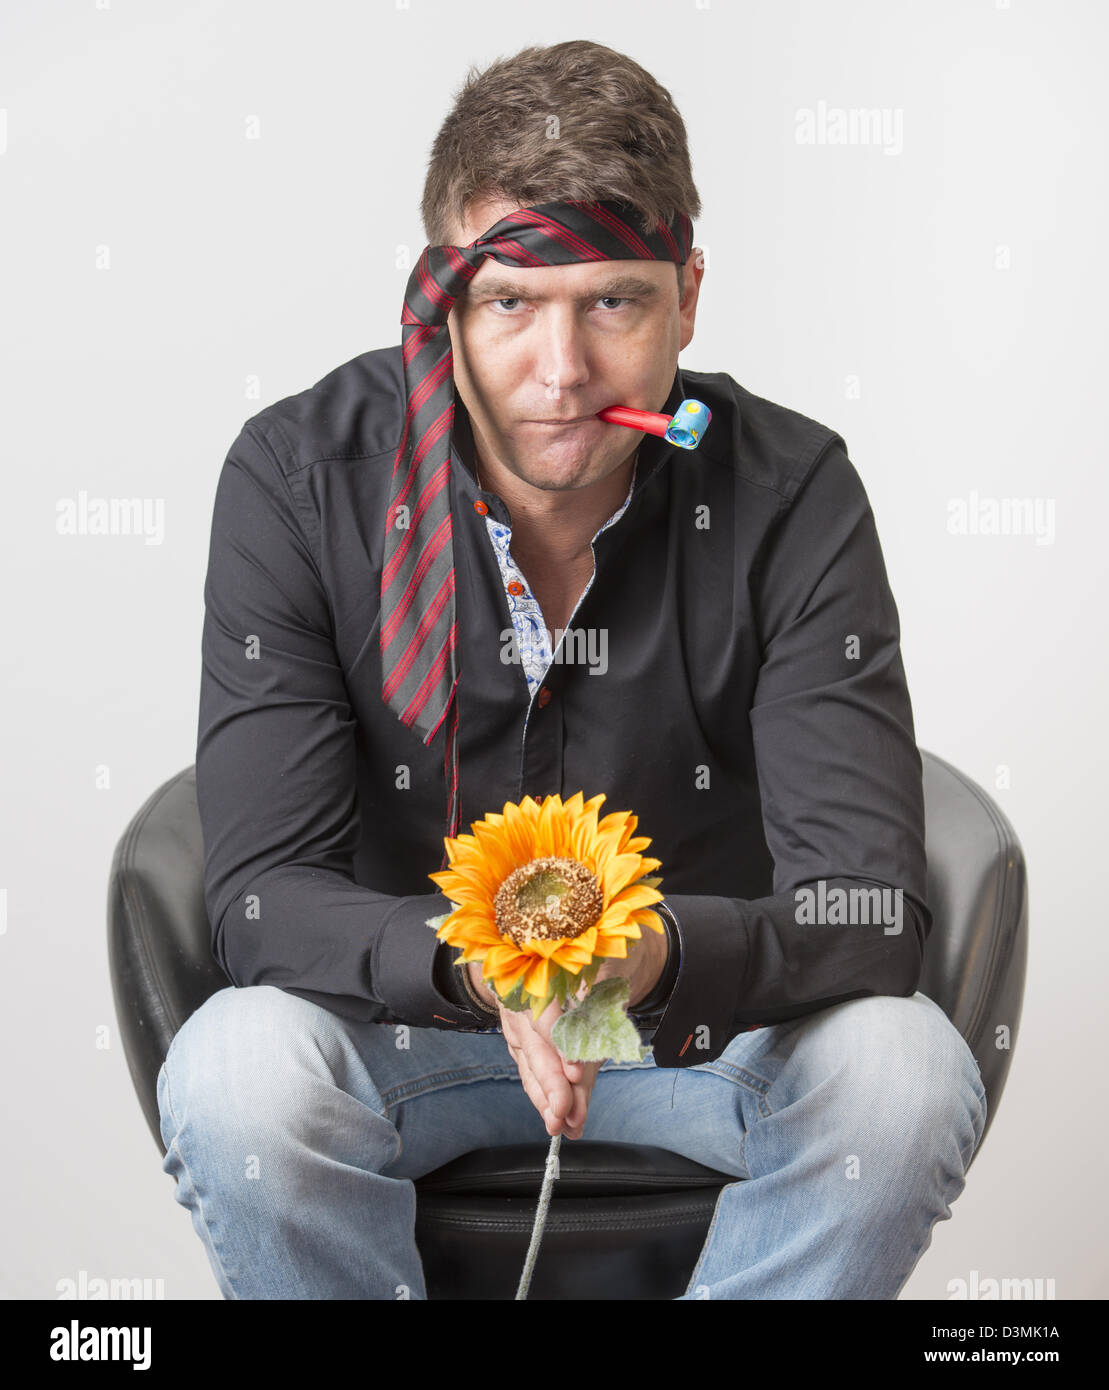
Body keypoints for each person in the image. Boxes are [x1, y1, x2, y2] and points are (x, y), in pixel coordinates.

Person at [157, 39, 987, 1300]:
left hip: (695, 1031)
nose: (560, 374)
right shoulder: (295, 479)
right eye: (510, 305)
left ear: (687, 297)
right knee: (235, 1071)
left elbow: (867, 908)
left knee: (902, 1069)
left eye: (613, 302)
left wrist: (651, 957)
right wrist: (467, 962)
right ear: (442, 303)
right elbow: (262, 896)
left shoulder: (789, 490)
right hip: (410, 1021)